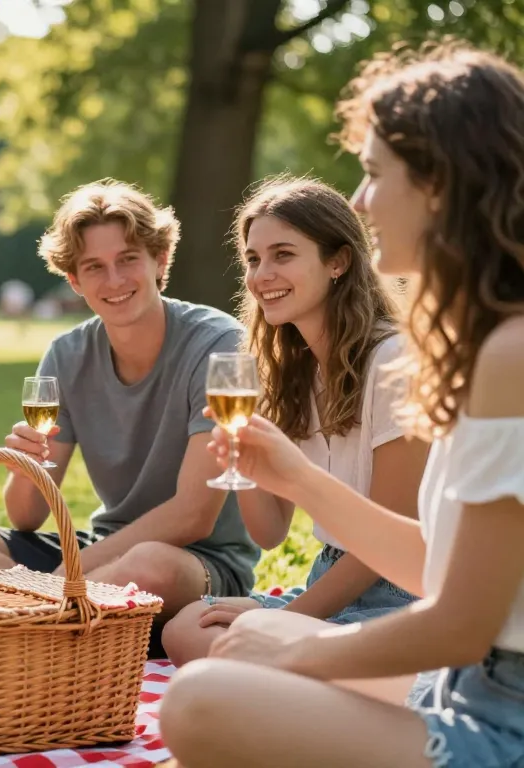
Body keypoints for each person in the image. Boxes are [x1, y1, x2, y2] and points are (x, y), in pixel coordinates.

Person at [160, 42, 524, 767]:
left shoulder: (508, 353)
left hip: (499, 719)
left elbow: (454, 624)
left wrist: (294, 656)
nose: (359, 202)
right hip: (465, 683)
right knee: (221, 661)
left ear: (440, 184)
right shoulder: (486, 344)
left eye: (372, 174)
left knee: (201, 699)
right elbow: (442, 567)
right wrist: (290, 476)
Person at [0, 180, 260, 626]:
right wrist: (24, 465)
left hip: (197, 563)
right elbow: (26, 516)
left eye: (128, 259)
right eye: (94, 267)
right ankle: (60, 619)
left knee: (149, 565)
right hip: (98, 551)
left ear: (160, 259)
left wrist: (62, 575)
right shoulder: (66, 355)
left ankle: (31, 612)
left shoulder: (218, 345)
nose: (114, 280)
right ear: (74, 279)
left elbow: (193, 517)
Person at [161, 176, 428, 666]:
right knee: (186, 629)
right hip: (329, 579)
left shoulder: (393, 361)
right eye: (253, 258)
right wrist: (243, 457)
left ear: (338, 262)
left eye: (283, 254)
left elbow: (392, 538)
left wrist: (287, 622)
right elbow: (269, 533)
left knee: (237, 653)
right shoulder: (290, 372)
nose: (262, 274)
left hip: (403, 592)